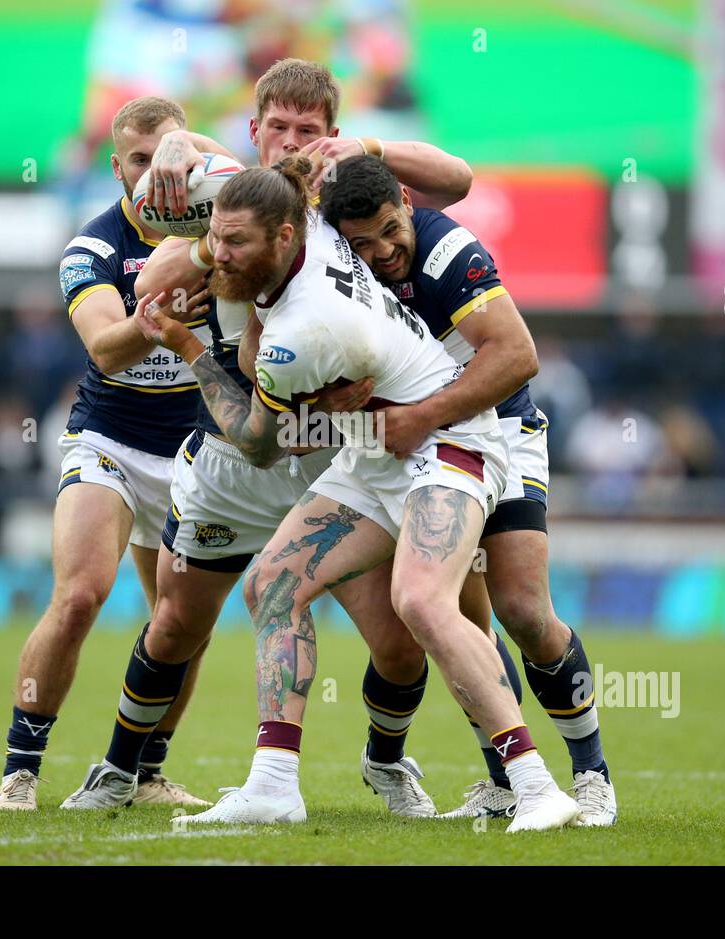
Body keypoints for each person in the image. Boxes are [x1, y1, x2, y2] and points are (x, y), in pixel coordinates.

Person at [66, 59, 478, 816]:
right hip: (231, 458)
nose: (293, 140)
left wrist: (367, 152)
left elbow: (456, 179)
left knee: (396, 638)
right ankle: (120, 769)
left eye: (310, 130)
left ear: (332, 133)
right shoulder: (218, 199)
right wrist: (184, 178)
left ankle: (387, 763)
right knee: (177, 623)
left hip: (332, 457)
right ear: (253, 133)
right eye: (279, 128)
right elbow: (156, 271)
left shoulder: (346, 202)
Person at [137, 157, 580, 832]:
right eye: (214, 241)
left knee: (421, 602)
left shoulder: (306, 335)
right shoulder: (306, 229)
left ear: (283, 238)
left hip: (449, 446)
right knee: (275, 585)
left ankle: (536, 785)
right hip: (377, 452)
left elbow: (257, 441)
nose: (216, 257)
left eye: (233, 245)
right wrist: (174, 152)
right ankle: (274, 785)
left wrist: (187, 346)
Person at [319, 156, 617, 824]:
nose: (382, 252)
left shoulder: (449, 247)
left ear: (404, 201)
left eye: (390, 231)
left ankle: (593, 775)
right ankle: (505, 784)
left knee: (523, 610)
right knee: (463, 623)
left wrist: (419, 417)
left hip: (499, 434)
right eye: (361, 244)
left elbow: (516, 356)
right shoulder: (334, 263)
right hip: (415, 449)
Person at [0, 96, 226, 811]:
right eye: (136, 159)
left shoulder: (225, 228)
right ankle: (21, 769)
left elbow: (265, 184)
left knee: (182, 625)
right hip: (111, 441)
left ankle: (144, 772)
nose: (152, 172)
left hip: (196, 453)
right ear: (117, 165)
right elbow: (103, 346)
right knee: (80, 595)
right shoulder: (93, 247)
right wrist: (154, 325)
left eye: (167, 155)